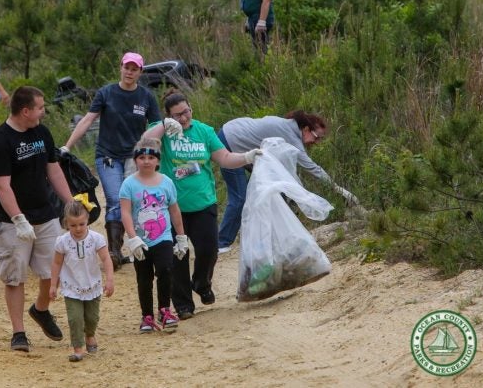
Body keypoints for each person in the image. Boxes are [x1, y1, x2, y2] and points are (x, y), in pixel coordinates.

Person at [142, 90, 262, 320]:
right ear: (169, 116)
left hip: (203, 203)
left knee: (208, 250)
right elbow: (145, 142)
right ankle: (183, 305)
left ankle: (201, 282)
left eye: (185, 112)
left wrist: (248, 157)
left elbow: (225, 158)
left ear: (191, 109)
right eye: (177, 115)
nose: (183, 119)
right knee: (178, 255)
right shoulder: (163, 131)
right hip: (172, 205)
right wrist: (165, 126)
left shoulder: (204, 131)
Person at [0, 86, 74, 352]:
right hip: (11, 222)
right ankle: (19, 332)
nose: (43, 112)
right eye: (40, 107)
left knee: (52, 272)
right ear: (26, 111)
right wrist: (18, 218)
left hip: (45, 215)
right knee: (15, 276)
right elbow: (1, 186)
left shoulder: (42, 133)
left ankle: (41, 309)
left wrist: (70, 203)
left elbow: (54, 171)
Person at [61, 52, 162, 271]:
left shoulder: (146, 97)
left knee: (133, 200)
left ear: (140, 72)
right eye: (127, 67)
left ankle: (138, 244)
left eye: (135, 69)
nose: (129, 72)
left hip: (134, 156)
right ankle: (114, 252)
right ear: (121, 68)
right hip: (108, 155)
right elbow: (88, 119)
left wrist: (155, 152)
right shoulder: (106, 93)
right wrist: (67, 147)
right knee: (115, 198)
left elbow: (156, 126)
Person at [217, 110, 359, 254]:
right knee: (240, 197)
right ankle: (221, 243)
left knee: (275, 191)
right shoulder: (291, 135)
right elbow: (312, 168)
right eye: (316, 137)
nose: (316, 142)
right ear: (305, 129)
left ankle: (273, 238)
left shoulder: (289, 128)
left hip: (241, 138)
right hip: (230, 141)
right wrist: (337, 188)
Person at [119, 137, 187, 333]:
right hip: (141, 240)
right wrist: (132, 238)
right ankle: (147, 316)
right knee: (144, 278)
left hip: (163, 237)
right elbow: (125, 212)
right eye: (141, 157)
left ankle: (165, 309)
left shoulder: (166, 183)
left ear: (158, 160)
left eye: (150, 157)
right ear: (135, 160)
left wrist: (180, 236)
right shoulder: (129, 184)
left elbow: (174, 210)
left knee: (166, 269)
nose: (146, 161)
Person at [49, 201, 114, 362]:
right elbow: (56, 263)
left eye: (81, 224)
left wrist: (110, 280)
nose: (78, 228)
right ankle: (78, 348)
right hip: (71, 287)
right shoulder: (62, 241)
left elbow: (106, 258)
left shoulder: (96, 239)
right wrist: (53, 285)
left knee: (92, 317)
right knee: (75, 318)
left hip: (92, 284)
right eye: (73, 225)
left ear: (88, 221)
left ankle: (90, 335)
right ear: (66, 223)